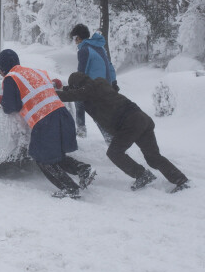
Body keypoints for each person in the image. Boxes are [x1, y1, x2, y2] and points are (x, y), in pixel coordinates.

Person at [57, 72, 190, 193]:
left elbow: (73, 95)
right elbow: (77, 91)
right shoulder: (99, 83)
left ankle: (142, 175)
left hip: (129, 123)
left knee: (114, 153)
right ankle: (181, 180)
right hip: (141, 118)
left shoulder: (88, 90)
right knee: (153, 157)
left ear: (78, 85)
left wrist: (50, 93)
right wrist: (63, 87)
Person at [0, 49, 96, 199]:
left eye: (0, 69)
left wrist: (0, 99)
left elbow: (11, 107)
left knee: (42, 158)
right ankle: (84, 169)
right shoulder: (36, 71)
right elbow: (43, 87)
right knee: (55, 155)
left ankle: (70, 188)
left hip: (45, 120)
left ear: (2, 68)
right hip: (62, 115)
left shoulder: (10, 78)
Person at [70, 24, 117, 139]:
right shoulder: (98, 47)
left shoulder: (84, 50)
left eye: (74, 38)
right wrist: (114, 83)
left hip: (96, 87)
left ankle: (83, 131)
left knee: (90, 107)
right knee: (93, 108)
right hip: (106, 85)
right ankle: (108, 136)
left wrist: (75, 86)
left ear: (78, 38)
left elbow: (81, 72)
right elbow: (110, 66)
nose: (74, 41)